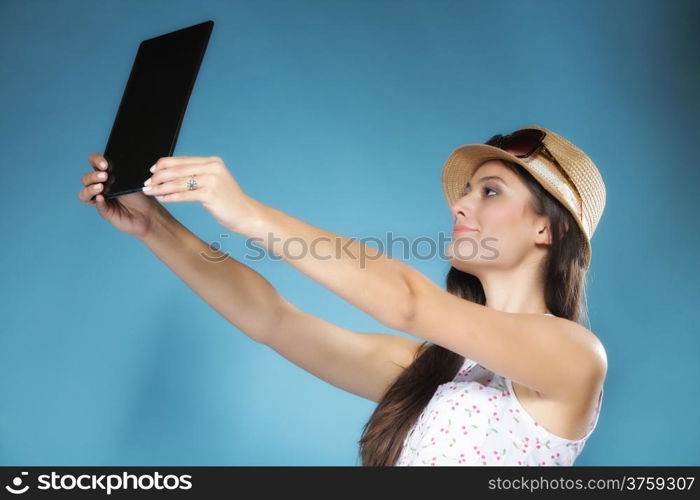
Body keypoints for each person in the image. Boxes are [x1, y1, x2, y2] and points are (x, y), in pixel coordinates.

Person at [77, 124, 607, 466]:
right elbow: (272, 319)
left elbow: (409, 304)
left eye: (489, 191)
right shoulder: (437, 371)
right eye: (467, 192)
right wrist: (156, 228)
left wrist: (246, 212)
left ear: (549, 229)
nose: (461, 206)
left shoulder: (574, 358)